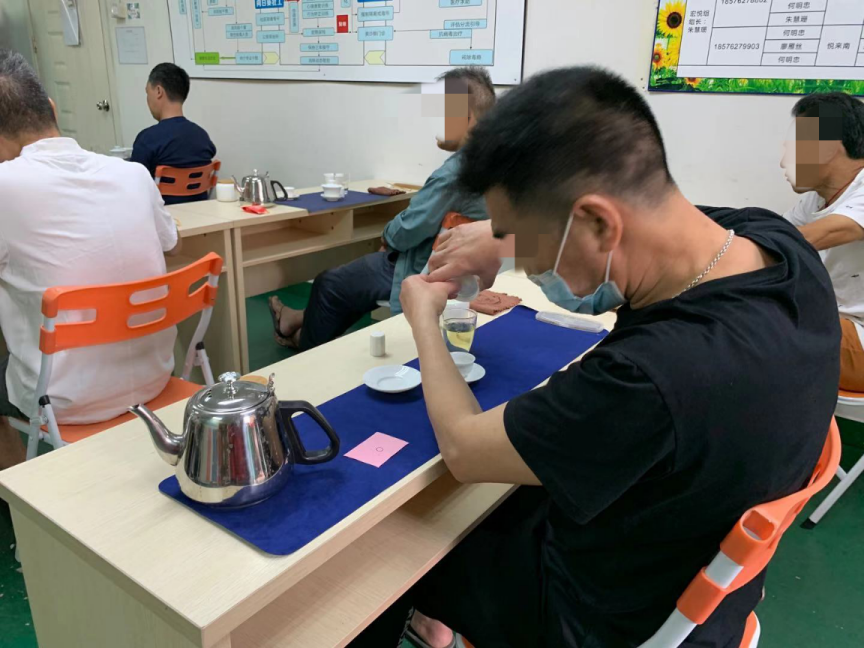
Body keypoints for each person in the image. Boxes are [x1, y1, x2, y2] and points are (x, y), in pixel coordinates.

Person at [351, 67, 840, 648]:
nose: (532, 266)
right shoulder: (776, 243)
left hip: (595, 616)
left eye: (532, 248)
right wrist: (505, 235)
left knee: (381, 548)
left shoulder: (651, 376)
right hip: (699, 576)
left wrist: (424, 320)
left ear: (601, 222)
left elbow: (463, 447)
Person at [0, 49, 181, 470]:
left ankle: (19, 494)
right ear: (52, 109)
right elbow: (170, 241)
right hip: (156, 375)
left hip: (65, 400)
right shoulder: (133, 173)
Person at [268, 67, 494, 351]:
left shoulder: (455, 172)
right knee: (352, 281)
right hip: (465, 269)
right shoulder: (498, 160)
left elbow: (407, 231)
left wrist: (388, 235)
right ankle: (298, 320)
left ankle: (306, 352)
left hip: (423, 269)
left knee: (330, 283)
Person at [781, 92, 864, 392]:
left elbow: (804, 239)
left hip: (859, 337)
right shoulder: (815, 200)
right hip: (837, 324)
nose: (784, 162)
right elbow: (776, 235)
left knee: (755, 328)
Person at [131, 62, 216, 205]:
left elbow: (134, 184)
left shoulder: (147, 139)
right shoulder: (202, 136)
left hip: (163, 215)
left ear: (159, 91)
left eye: (147, 93)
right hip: (200, 212)